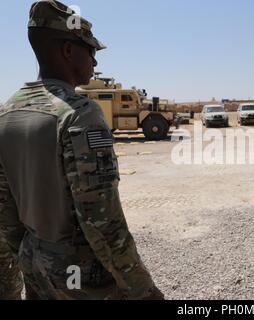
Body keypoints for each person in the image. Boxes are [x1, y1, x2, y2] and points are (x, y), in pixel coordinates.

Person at [0, 0, 163, 300]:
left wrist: (31, 256)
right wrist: (142, 290)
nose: (95, 62)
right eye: (90, 51)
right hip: (77, 278)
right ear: (67, 51)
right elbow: (101, 221)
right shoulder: (79, 113)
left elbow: (6, 212)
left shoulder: (7, 111)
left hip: (35, 263)